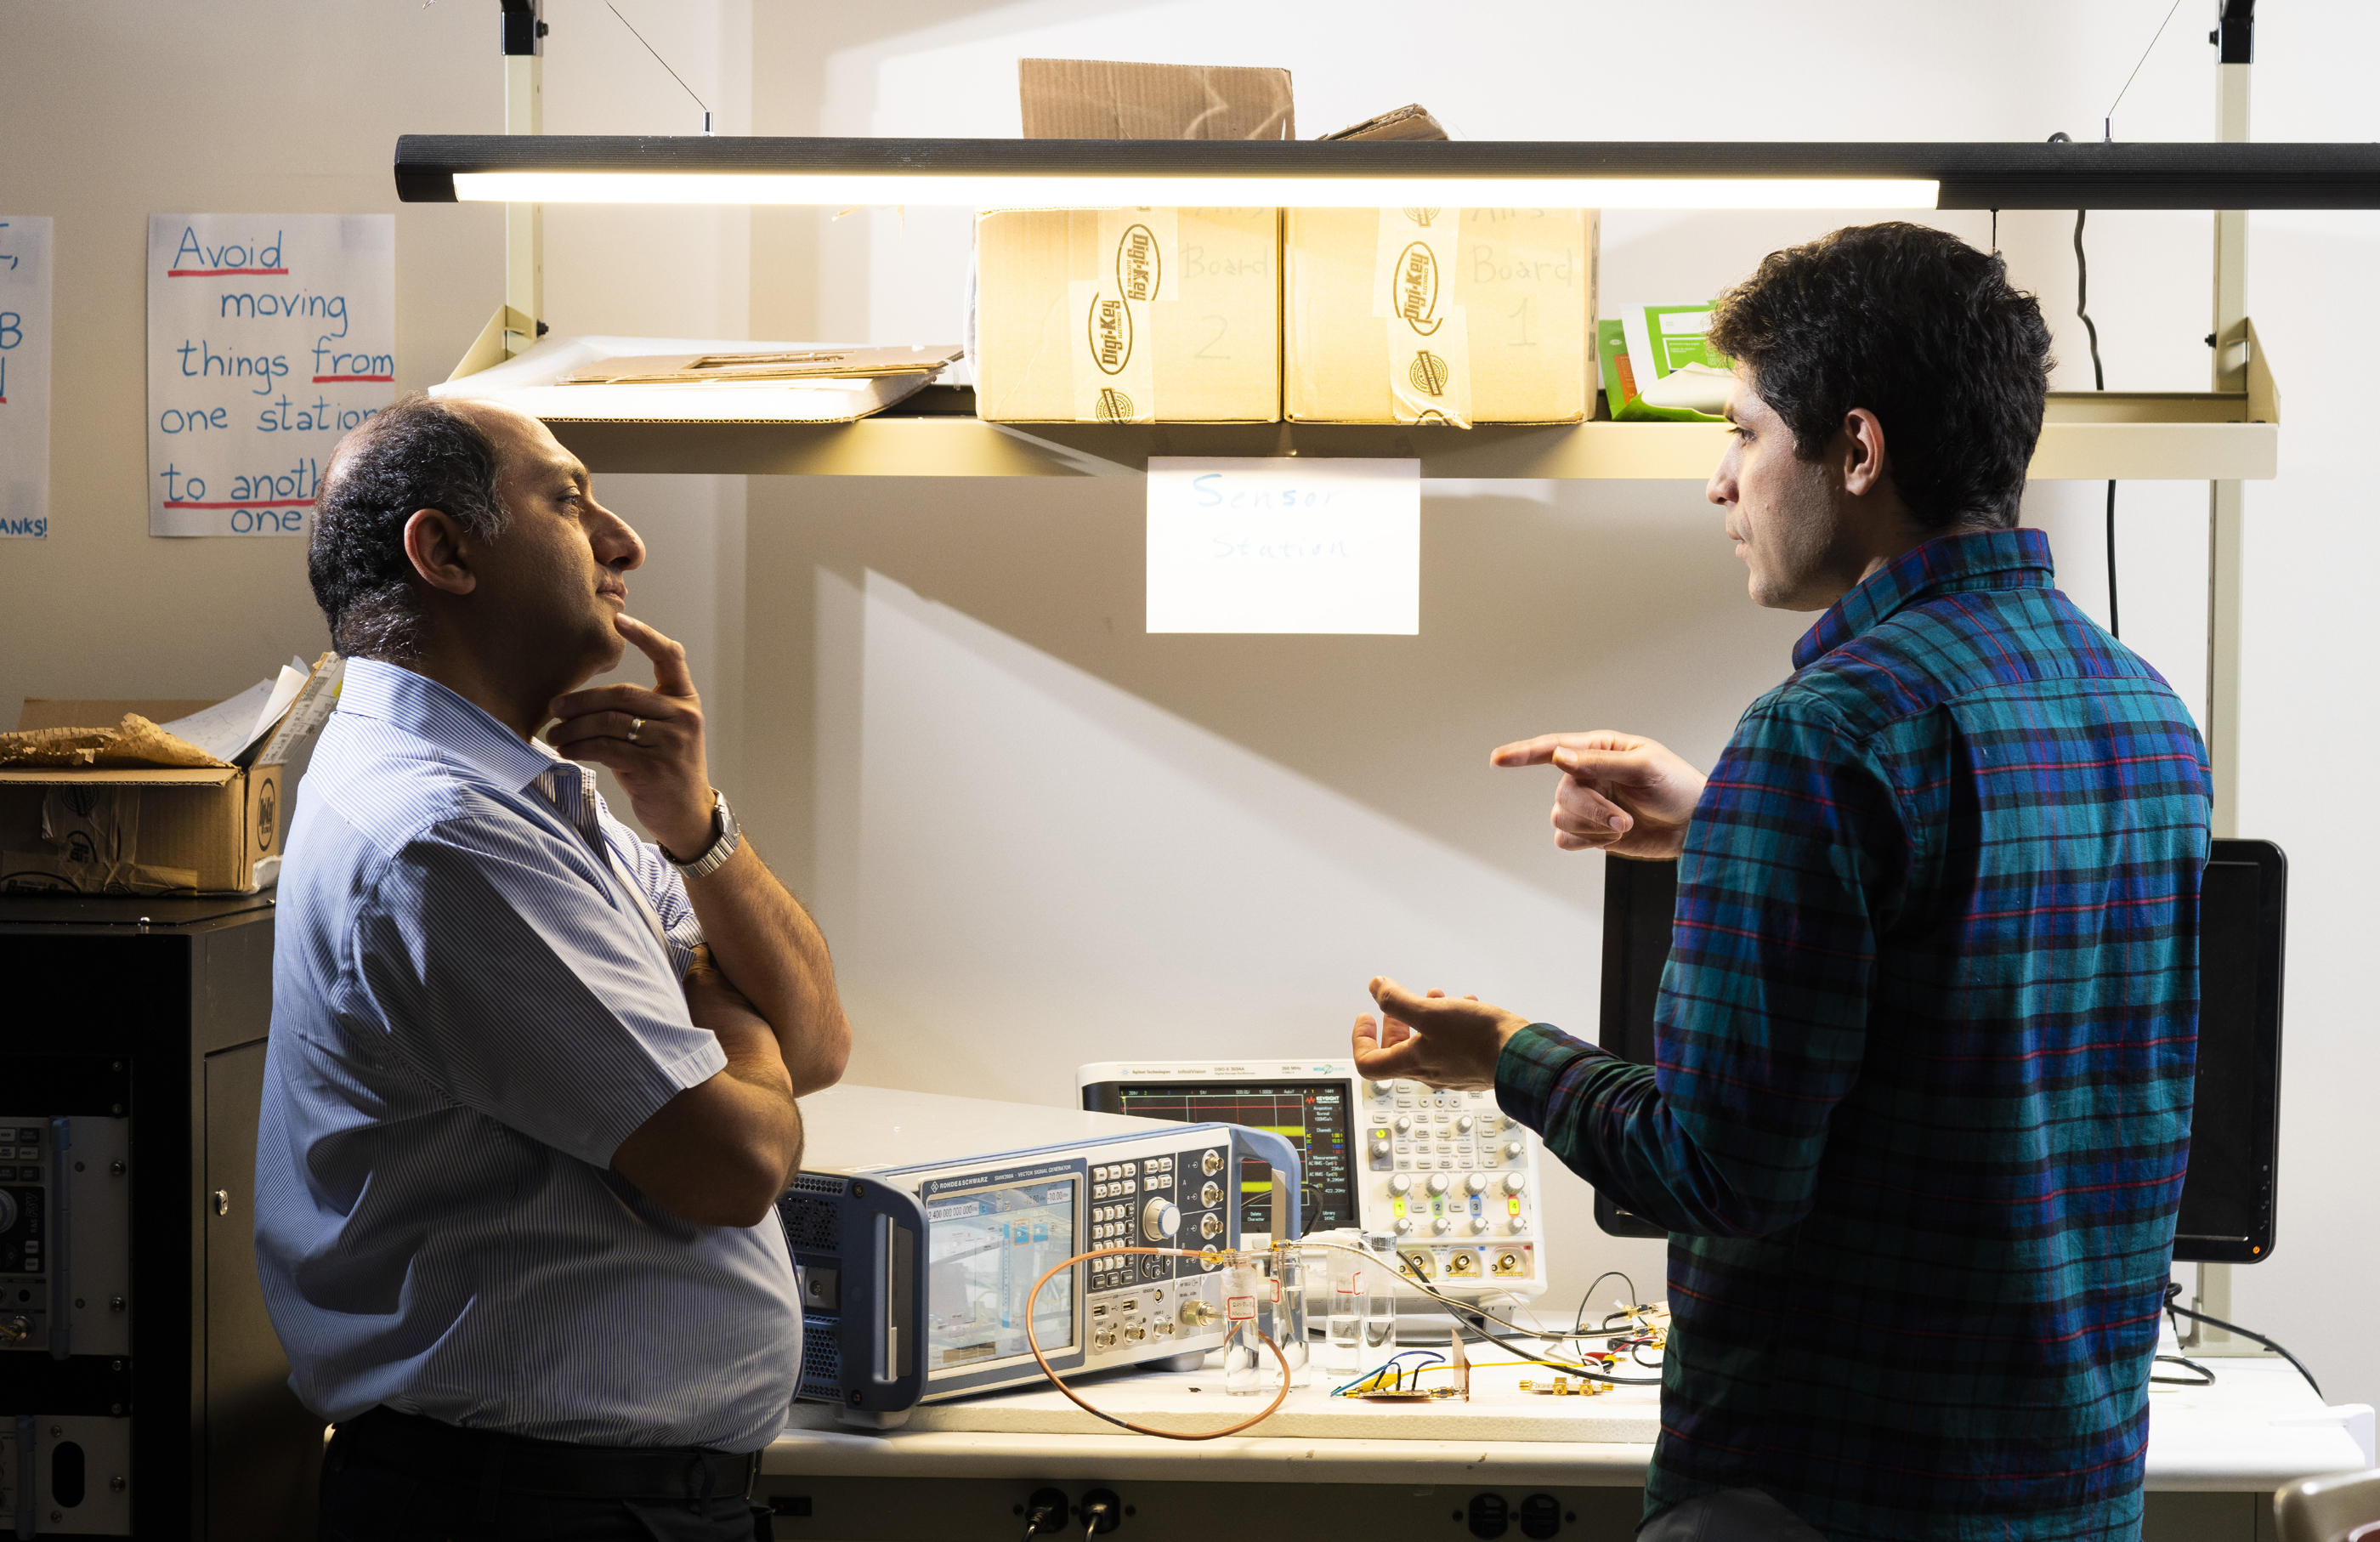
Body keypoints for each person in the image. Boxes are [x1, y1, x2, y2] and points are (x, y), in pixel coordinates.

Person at [1351, 224, 2210, 1542]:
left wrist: (1502, 1053)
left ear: (1856, 453)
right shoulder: (2141, 709)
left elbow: (1718, 1169)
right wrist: (1729, 826)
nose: (1718, 483)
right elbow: (1967, 962)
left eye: (1743, 434)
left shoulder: (1826, 730)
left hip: (1819, 1499)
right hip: (2066, 1492)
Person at [257, 394, 850, 1541]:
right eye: (571, 501)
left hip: (588, 1495)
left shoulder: (527, 804)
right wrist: (729, 1018)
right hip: (522, 1507)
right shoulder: (442, 837)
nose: (626, 543)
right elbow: (737, 1160)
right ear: (445, 551)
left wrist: (695, 824)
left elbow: (816, 1037)